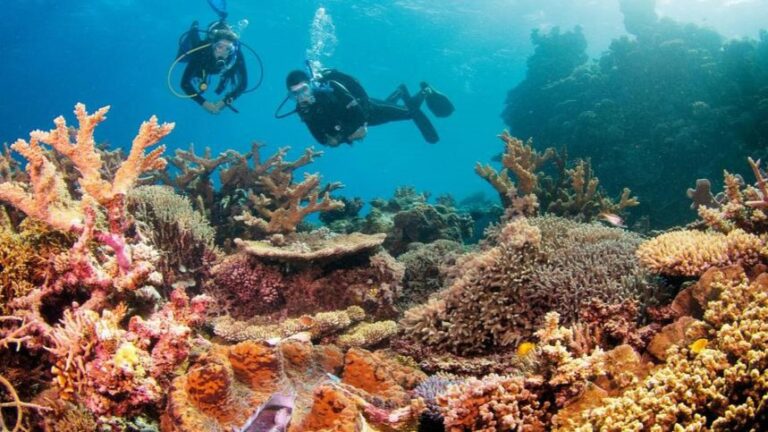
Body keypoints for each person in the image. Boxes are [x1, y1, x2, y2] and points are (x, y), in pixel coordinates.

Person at [279, 67, 454, 146]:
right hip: (359, 123)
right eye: (294, 94)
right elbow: (320, 138)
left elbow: (359, 114)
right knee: (391, 112)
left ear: (311, 85)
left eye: (303, 90)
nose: (301, 97)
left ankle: (426, 92)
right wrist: (335, 139)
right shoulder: (304, 110)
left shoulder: (331, 88)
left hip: (369, 110)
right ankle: (400, 91)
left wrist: (355, 129)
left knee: (409, 113)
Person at [178, 20, 248, 114]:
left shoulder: (236, 56)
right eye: (219, 47)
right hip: (204, 58)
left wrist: (223, 103)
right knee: (194, 42)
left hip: (218, 66)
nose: (222, 52)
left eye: (228, 48)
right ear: (213, 45)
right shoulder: (201, 52)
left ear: (232, 50)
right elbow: (185, 83)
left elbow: (243, 84)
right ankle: (194, 29)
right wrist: (205, 104)